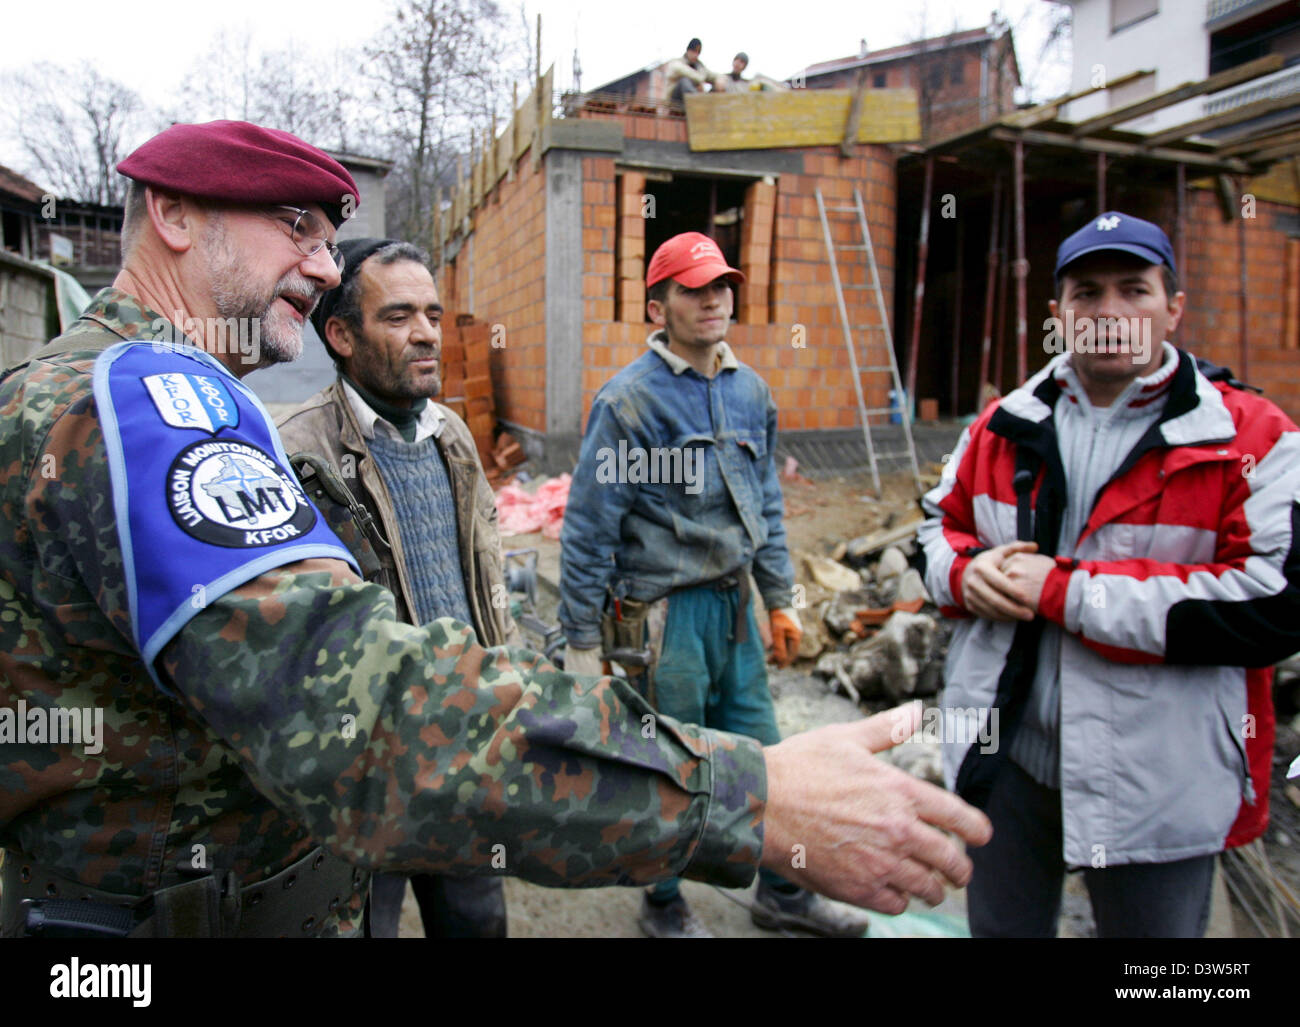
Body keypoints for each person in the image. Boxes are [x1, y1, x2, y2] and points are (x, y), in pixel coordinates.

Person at [0, 119, 991, 938]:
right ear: (171, 214)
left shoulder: (113, 390)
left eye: (327, 236)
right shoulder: (146, 401)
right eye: (294, 226)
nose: (318, 263)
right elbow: (362, 716)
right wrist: (747, 796)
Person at [919, 210, 1300, 938]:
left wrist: (1062, 592)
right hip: (1009, 766)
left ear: (1174, 308)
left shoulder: (1253, 438)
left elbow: (1275, 607)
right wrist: (962, 576)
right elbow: (935, 527)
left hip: (1158, 781)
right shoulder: (1001, 425)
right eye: (1087, 293)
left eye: (1135, 289)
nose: (1110, 312)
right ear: (1059, 314)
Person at [559, 232, 872, 939]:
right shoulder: (629, 403)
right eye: (694, 289)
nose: (712, 300)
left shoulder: (750, 391)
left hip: (735, 610)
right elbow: (588, 527)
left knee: (767, 756)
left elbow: (766, 507)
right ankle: (663, 902)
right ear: (658, 304)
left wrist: (781, 596)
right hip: (664, 619)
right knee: (674, 764)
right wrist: (580, 638)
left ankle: (783, 891)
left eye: (721, 286)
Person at [276, 237, 514, 938]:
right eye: (399, 316)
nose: (427, 335)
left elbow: (486, 581)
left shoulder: (454, 437)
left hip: (465, 742)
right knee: (362, 924)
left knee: (475, 921)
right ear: (341, 334)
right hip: (363, 768)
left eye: (434, 315)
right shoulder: (296, 451)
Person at [664, 38, 715, 103]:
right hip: (675, 101)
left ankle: (705, 105)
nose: (696, 55)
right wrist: (698, 82)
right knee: (684, 81)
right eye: (694, 51)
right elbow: (687, 73)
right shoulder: (677, 63)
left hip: (692, 101)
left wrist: (721, 79)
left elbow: (712, 75)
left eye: (698, 52)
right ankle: (700, 104)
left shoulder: (699, 66)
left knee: (717, 85)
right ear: (688, 50)